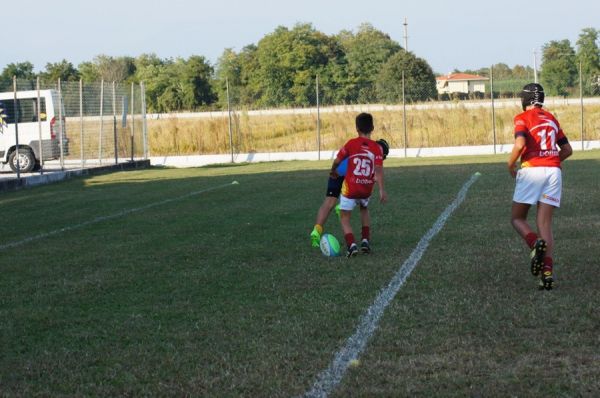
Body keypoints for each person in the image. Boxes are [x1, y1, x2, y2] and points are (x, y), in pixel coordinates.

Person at [507, 83, 572, 290]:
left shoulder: (522, 118)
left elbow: (520, 144)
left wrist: (510, 165)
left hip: (531, 170)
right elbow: (567, 150)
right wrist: (552, 160)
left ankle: (535, 243)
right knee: (545, 224)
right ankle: (547, 273)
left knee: (517, 218)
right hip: (553, 172)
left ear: (523, 100)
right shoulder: (551, 118)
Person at [310, 138, 389, 248]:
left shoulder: (361, 146)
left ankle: (316, 231)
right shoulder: (373, 157)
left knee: (329, 201)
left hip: (339, 170)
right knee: (361, 199)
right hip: (347, 173)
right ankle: (363, 236)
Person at [328, 112, 387, 257]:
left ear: (357, 129)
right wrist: (381, 189)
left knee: (344, 216)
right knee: (364, 208)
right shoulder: (376, 148)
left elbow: (337, 160)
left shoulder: (351, 143)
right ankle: (365, 240)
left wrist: (333, 170)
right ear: (372, 128)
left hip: (351, 187)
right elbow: (378, 170)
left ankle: (351, 245)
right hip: (366, 188)